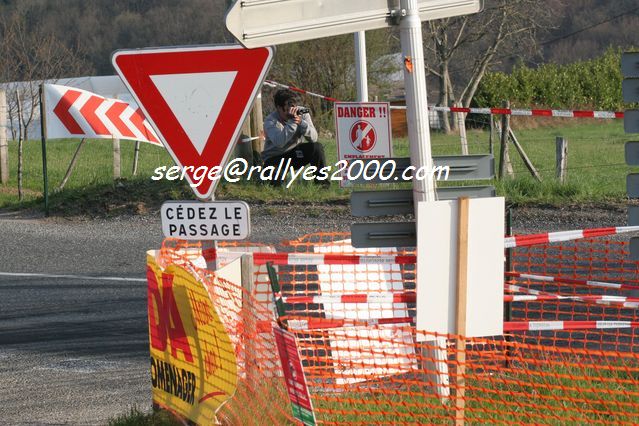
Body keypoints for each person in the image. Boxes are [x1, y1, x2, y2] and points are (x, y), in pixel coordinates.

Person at [262, 89, 327, 185]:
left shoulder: (302, 113)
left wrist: (301, 123)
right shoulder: (270, 121)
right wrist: (292, 122)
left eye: (292, 107)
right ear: (278, 108)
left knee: (317, 147)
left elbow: (314, 138)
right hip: (275, 157)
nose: (290, 112)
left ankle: (322, 185)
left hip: (294, 154)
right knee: (275, 184)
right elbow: (280, 143)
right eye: (286, 109)